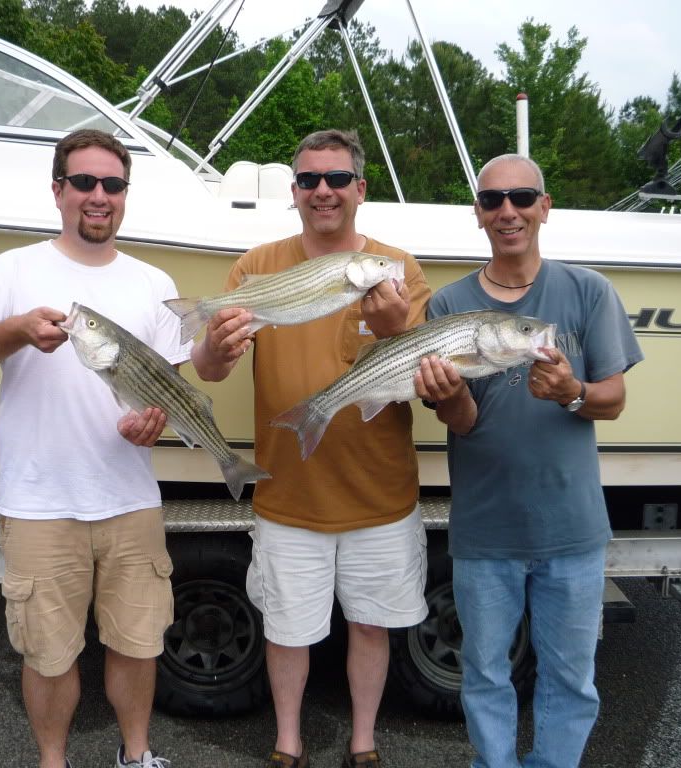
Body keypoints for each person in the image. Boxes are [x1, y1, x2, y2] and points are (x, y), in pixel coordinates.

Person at [0, 129, 182, 768]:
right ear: (58, 190)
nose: (99, 197)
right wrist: (15, 330)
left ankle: (136, 755)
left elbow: (172, 384)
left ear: (125, 195)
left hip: (129, 498)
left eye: (113, 185)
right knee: (48, 652)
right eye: (85, 183)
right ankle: (53, 760)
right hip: (39, 503)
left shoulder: (154, 281)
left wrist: (156, 417)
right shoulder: (12, 269)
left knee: (137, 643)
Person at [191, 129, 432, 768]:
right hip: (287, 490)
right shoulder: (256, 268)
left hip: (379, 492)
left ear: (360, 188)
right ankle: (287, 743)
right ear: (295, 193)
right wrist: (214, 343)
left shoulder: (398, 268)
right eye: (308, 180)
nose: (322, 191)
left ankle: (363, 743)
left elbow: (418, 374)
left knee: (372, 625)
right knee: (286, 628)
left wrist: (391, 327)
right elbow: (211, 371)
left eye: (334, 179)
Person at [414, 154, 643, 768]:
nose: (507, 211)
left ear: (545, 206)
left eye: (521, 198)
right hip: (485, 529)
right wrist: (450, 394)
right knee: (485, 674)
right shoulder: (448, 304)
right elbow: (462, 424)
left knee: (571, 679)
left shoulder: (589, 291)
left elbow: (613, 401)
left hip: (571, 528)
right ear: (478, 215)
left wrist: (572, 391)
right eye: (492, 201)